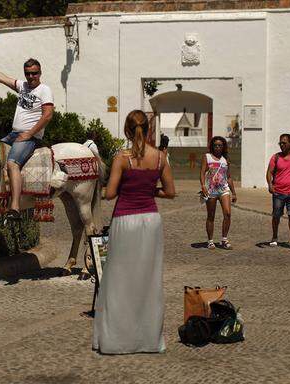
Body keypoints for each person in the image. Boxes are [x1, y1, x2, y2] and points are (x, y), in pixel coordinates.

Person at [93, 110, 175, 354]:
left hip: (125, 219)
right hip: (150, 220)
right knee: (148, 279)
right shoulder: (160, 158)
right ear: (149, 130)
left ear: (128, 131)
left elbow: (110, 194)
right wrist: (150, 191)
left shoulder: (122, 158)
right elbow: (170, 192)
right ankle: (148, 339)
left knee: (119, 278)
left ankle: (117, 340)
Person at [0, 58, 54, 220]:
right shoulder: (23, 86)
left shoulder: (44, 90)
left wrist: (30, 133)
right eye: (28, 73)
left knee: (12, 163)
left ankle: (14, 207)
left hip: (30, 137)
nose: (31, 76)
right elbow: (2, 78)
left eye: (34, 73)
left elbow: (48, 115)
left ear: (40, 73)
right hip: (13, 134)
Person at [200, 136, 237, 250]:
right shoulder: (207, 157)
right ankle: (210, 241)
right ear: (212, 146)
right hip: (211, 190)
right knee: (211, 216)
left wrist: (234, 192)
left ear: (223, 147)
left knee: (228, 214)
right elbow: (202, 173)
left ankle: (224, 240)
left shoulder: (225, 160)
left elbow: (229, 177)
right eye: (215, 145)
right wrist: (203, 186)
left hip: (223, 190)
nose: (217, 147)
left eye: (220, 145)